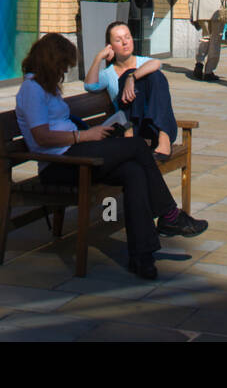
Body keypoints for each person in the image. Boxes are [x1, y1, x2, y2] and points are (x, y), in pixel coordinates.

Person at [15, 34, 207, 281]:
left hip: (75, 154)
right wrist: (84, 137)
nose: (64, 71)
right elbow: (41, 137)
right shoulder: (31, 89)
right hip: (61, 164)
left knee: (134, 172)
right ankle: (169, 215)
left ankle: (143, 257)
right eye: (62, 65)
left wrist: (94, 134)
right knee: (137, 147)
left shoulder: (46, 88)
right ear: (50, 61)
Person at [85, 21, 176, 157]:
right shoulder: (109, 73)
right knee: (125, 78)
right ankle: (139, 136)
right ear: (110, 46)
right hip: (131, 125)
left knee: (155, 75)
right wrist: (99, 57)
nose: (125, 42)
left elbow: (157, 63)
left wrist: (131, 78)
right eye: (118, 40)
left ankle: (164, 136)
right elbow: (90, 85)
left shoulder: (143, 62)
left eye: (127, 37)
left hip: (154, 125)